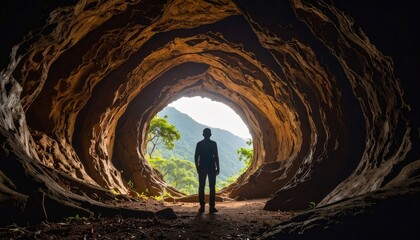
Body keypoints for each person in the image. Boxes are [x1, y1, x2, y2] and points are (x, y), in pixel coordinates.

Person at [194, 128, 220, 213]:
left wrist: (197, 167)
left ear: (203, 134)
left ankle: (202, 206)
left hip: (202, 167)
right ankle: (212, 207)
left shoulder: (199, 144)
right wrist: (218, 167)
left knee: (201, 187)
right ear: (210, 134)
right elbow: (216, 156)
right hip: (211, 167)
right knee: (212, 187)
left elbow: (196, 156)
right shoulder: (213, 144)